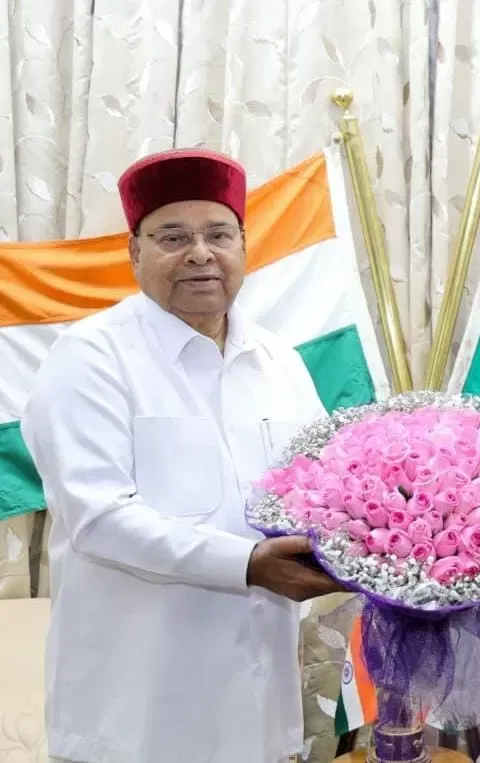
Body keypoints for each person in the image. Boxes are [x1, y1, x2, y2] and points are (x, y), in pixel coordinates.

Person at [21, 148, 345, 763]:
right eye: (173, 237)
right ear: (134, 252)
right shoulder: (89, 359)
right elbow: (99, 519)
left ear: (243, 245)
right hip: (135, 716)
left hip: (259, 708)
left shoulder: (279, 362)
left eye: (218, 234)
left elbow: (328, 490)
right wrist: (248, 564)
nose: (200, 253)